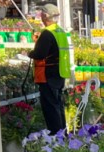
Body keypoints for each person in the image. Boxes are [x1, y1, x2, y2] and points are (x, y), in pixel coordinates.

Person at [28, 3, 72, 134]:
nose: (40, 16)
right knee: (58, 106)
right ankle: (62, 135)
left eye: (41, 14)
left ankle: (55, 137)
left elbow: (40, 54)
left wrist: (30, 53)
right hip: (59, 74)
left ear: (46, 16)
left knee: (50, 108)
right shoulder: (60, 32)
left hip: (48, 75)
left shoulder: (47, 34)